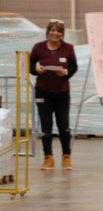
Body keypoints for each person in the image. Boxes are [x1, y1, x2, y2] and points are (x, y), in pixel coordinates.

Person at [29, 20, 78, 170]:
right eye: (53, 30)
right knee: (46, 125)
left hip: (62, 92)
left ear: (62, 34)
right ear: (48, 31)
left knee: (63, 124)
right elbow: (30, 65)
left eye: (58, 31)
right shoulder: (38, 47)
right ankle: (48, 157)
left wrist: (66, 73)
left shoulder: (68, 48)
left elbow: (74, 66)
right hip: (43, 91)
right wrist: (36, 70)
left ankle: (66, 156)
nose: (55, 33)